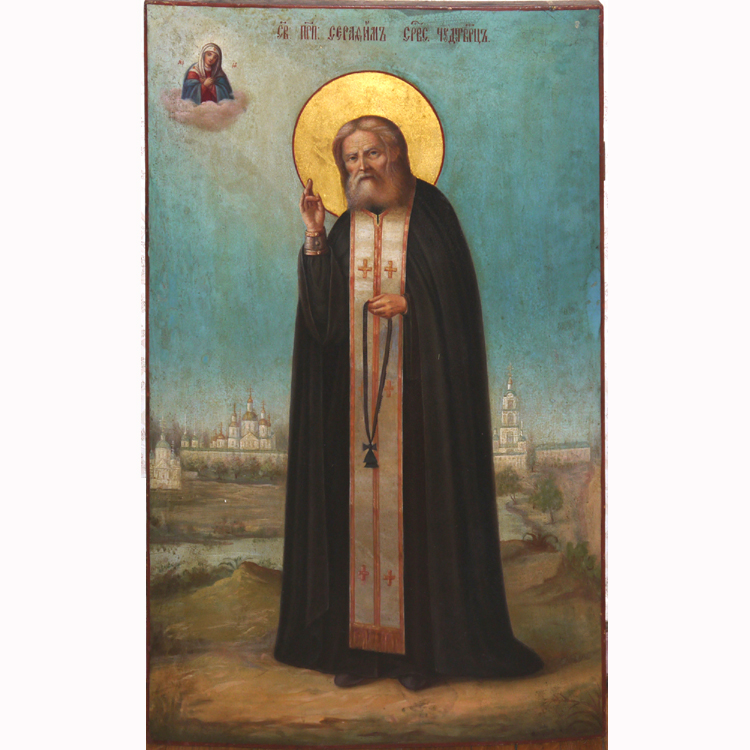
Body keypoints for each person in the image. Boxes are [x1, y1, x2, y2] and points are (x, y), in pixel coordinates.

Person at [274, 115, 543, 691]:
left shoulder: (433, 215)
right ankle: (360, 653)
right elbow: (322, 322)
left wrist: (412, 302)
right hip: (354, 415)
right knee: (354, 523)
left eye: (371, 154)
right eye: (350, 159)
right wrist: (315, 235)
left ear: (396, 154)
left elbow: (456, 306)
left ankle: (420, 655)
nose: (361, 167)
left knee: (420, 522)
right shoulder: (344, 228)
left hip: (422, 410)